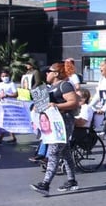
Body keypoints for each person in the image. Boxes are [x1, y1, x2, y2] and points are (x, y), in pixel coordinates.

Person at [30, 62, 80, 196]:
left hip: (63, 123)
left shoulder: (65, 85)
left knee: (53, 153)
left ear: (56, 73)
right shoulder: (49, 87)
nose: (47, 73)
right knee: (65, 153)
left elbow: (74, 102)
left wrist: (56, 105)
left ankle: (45, 184)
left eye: (49, 71)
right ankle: (71, 181)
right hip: (53, 123)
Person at [0, 68, 18, 144]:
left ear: (9, 76)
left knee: (8, 122)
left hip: (10, 106)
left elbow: (16, 94)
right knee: (3, 122)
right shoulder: (1, 84)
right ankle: (12, 138)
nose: (4, 77)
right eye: (3, 76)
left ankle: (1, 138)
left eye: (6, 76)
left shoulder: (11, 84)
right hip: (2, 106)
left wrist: (7, 95)